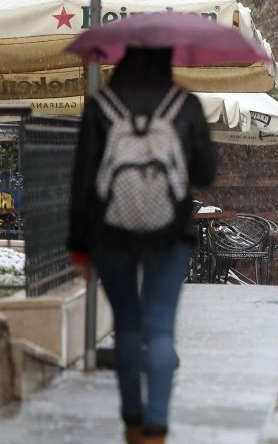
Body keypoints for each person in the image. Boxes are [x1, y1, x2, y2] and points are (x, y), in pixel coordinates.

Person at [67, 47, 216, 444]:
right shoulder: (185, 105)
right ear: (167, 57)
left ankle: (132, 421)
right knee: (162, 330)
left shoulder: (101, 106)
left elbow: (82, 182)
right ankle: (157, 428)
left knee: (128, 327)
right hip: (171, 235)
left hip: (110, 234)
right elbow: (205, 172)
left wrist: (79, 247)